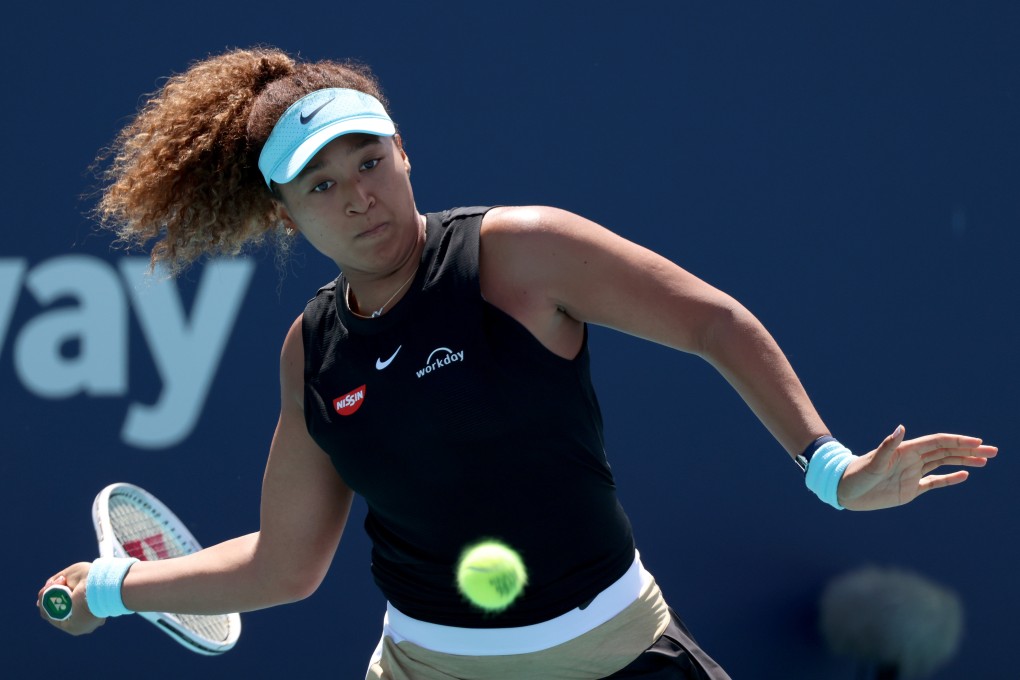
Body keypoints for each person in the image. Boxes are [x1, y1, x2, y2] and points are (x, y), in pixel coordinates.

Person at [38, 46, 997, 680]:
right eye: (322, 186)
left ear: (405, 154)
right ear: (287, 215)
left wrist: (832, 471)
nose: (358, 197)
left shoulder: (520, 254)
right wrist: (116, 590)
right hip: (424, 668)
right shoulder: (312, 352)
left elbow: (712, 322)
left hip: (614, 655)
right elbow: (285, 566)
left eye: (369, 162)